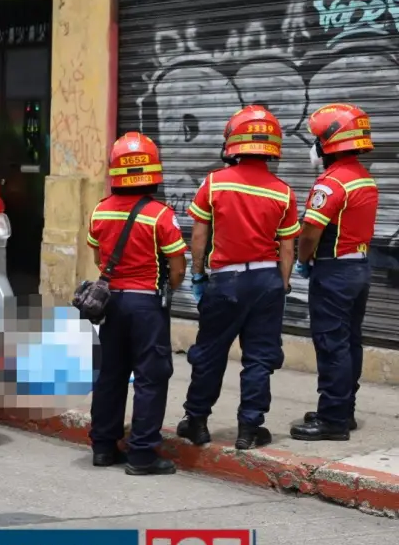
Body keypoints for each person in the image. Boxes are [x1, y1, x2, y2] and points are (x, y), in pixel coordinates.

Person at [178, 105, 299, 451]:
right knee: (260, 358)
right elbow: (286, 249)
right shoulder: (283, 191)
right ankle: (249, 429)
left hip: (226, 281)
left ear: (233, 142)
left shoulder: (214, 182)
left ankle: (197, 422)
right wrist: (283, 283)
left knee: (210, 354)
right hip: (267, 281)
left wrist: (198, 274)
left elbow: (199, 235)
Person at [87, 132, 187, 476]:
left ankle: (103, 447)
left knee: (111, 375)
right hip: (146, 305)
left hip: (111, 303)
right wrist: (166, 291)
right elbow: (177, 266)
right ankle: (142, 454)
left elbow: (98, 254)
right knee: (150, 377)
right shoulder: (161, 216)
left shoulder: (100, 210)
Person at [289, 104, 378, 441]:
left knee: (331, 345)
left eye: (316, 140)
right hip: (358, 268)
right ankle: (343, 409)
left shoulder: (331, 182)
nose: (313, 147)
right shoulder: (363, 178)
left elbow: (310, 231)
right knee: (349, 342)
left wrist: (303, 259)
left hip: (334, 271)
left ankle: (332, 421)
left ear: (330, 143)